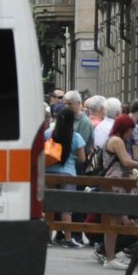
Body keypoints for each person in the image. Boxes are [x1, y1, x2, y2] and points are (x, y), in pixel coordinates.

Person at [99, 114, 138, 269]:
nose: (131, 134)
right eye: (130, 130)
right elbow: (126, 161)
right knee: (116, 220)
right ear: (125, 129)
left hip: (115, 183)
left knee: (115, 220)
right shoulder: (117, 141)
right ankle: (109, 257)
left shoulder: (112, 140)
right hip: (116, 183)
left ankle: (110, 256)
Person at [46, 104, 87, 248]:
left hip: (49, 173)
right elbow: (82, 159)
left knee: (49, 206)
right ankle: (68, 239)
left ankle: (47, 238)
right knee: (66, 208)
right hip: (68, 174)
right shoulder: (76, 137)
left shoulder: (48, 134)